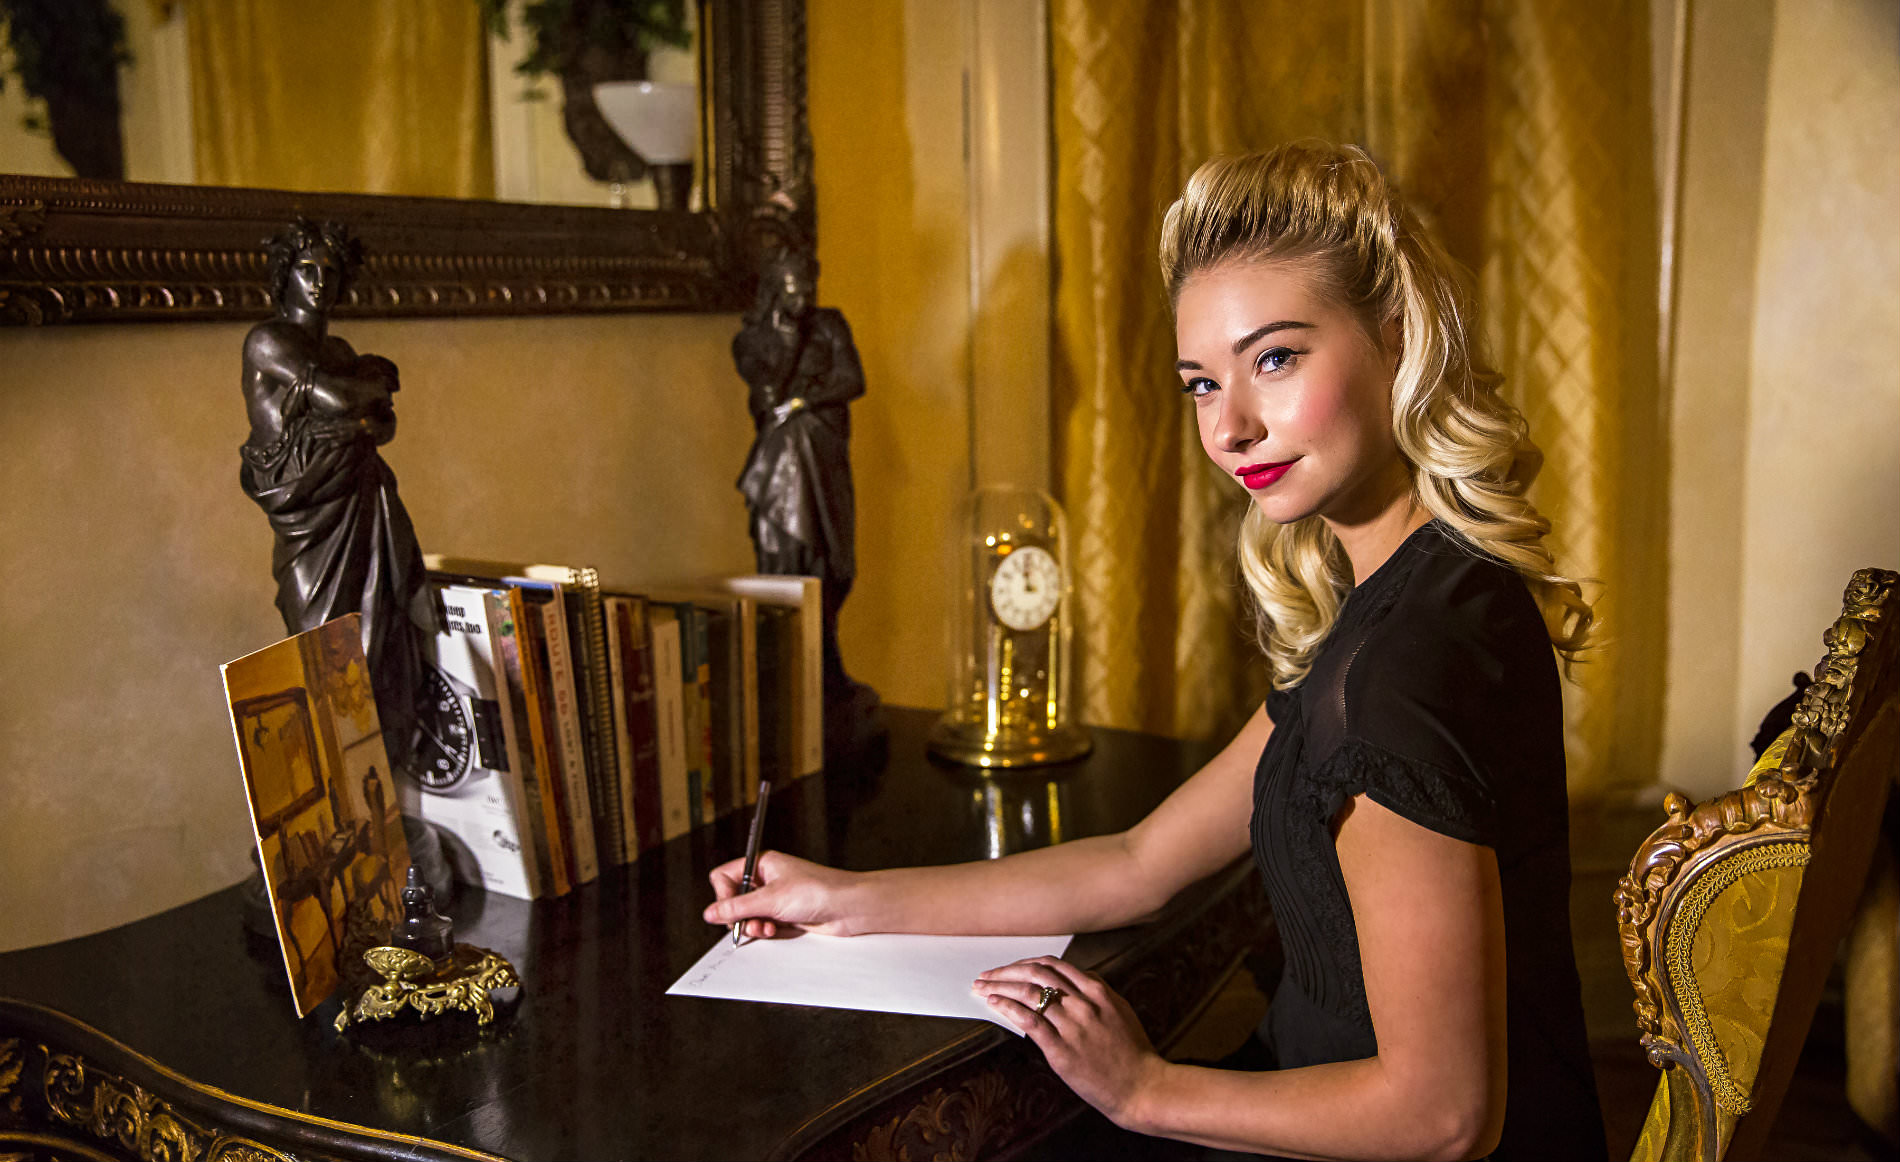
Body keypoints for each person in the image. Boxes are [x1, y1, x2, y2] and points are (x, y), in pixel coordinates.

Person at [703, 141, 1606, 1161]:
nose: (1232, 427)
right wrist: (846, 896)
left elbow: (1442, 1115)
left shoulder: (1402, 666)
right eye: (1199, 383)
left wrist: (1145, 1089)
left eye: (1274, 358)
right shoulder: (1414, 598)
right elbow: (1138, 864)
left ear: (1394, 338)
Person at [240, 219, 434, 770]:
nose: (320, 281)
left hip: (361, 505)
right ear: (285, 276)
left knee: (381, 650)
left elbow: (383, 426)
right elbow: (337, 397)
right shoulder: (268, 340)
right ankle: (330, 810)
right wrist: (370, 393)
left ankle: (381, 796)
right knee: (322, 656)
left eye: (331, 271)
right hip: (309, 519)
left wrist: (361, 409)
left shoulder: (341, 346)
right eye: (307, 270)